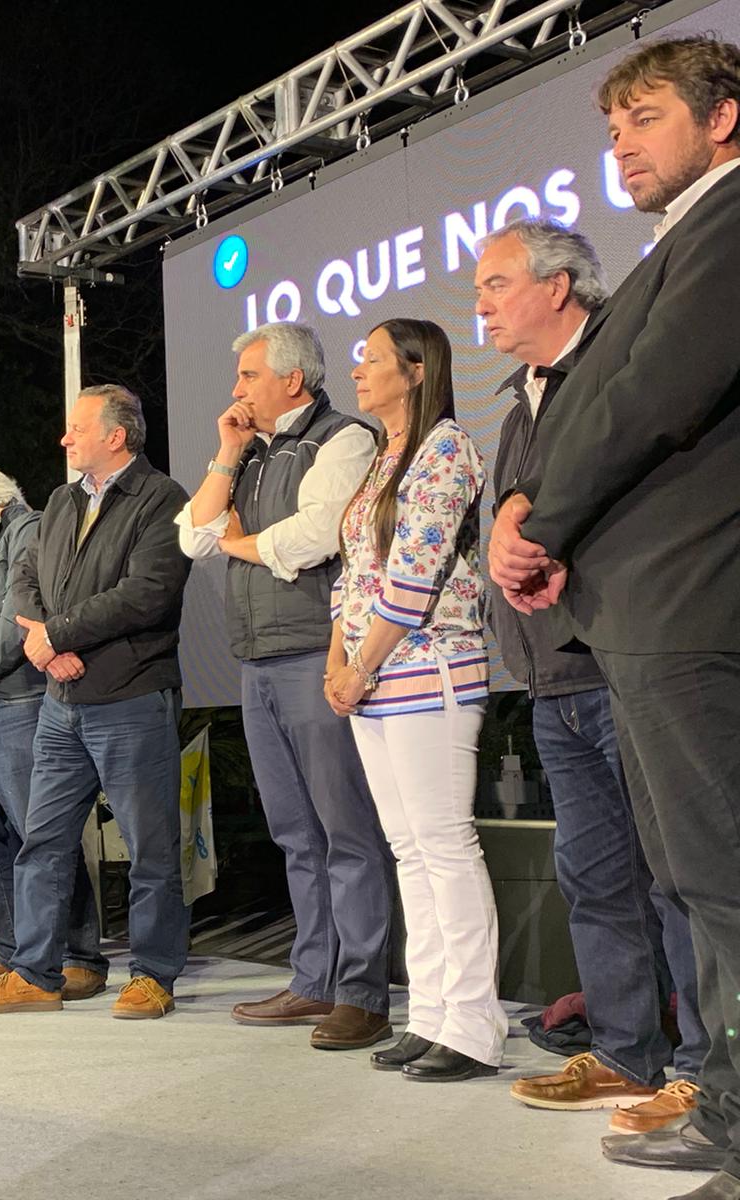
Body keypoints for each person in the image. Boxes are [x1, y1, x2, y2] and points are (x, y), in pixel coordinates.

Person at [488, 37, 740, 1195]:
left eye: (643, 117)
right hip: (643, 607)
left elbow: (647, 395)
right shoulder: (684, 237)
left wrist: (538, 519)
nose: (620, 145)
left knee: (719, 874)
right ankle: (725, 1103)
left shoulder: (729, 226)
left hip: (690, 599)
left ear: (721, 117)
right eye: (611, 127)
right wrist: (552, 523)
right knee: (695, 874)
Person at [474, 218, 708, 1130]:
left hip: (623, 656)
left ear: (559, 285)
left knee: (676, 874)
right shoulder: (520, 400)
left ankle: (702, 1067)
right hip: (552, 681)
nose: (482, 304)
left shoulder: (613, 372)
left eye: (497, 284)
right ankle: (623, 1050)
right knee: (596, 876)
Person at [176, 321, 395, 1051]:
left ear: (291, 380)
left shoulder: (344, 439)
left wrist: (241, 542)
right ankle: (314, 980)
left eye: (246, 377)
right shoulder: (252, 452)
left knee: (345, 831)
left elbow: (317, 535)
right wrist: (227, 451)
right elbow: (192, 536)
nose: (235, 390)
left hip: (314, 653)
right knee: (296, 833)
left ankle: (362, 993)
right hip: (256, 662)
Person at [0, 384, 191, 1019]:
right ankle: (36, 971)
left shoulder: (162, 498)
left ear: (116, 436)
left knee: (150, 846)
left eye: (78, 428)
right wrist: (44, 644)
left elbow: (146, 594)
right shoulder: (61, 501)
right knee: (43, 840)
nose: (65, 438)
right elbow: (25, 579)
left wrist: (55, 636)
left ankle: (153, 974)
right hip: (61, 702)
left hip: (131, 696)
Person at [323, 318, 503, 1082]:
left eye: (372, 360)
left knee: (444, 843)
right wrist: (339, 662)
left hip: (430, 669)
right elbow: (352, 577)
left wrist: (359, 665)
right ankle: (429, 1014)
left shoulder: (446, 448)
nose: (358, 372)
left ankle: (471, 1026)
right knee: (409, 850)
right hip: (373, 678)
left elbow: (414, 576)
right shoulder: (380, 459)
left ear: (418, 368)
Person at [0, 467, 108, 997]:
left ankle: (79, 954)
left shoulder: (26, 529)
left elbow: (18, 615)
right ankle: (9, 947)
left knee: (43, 837)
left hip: (15, 704)